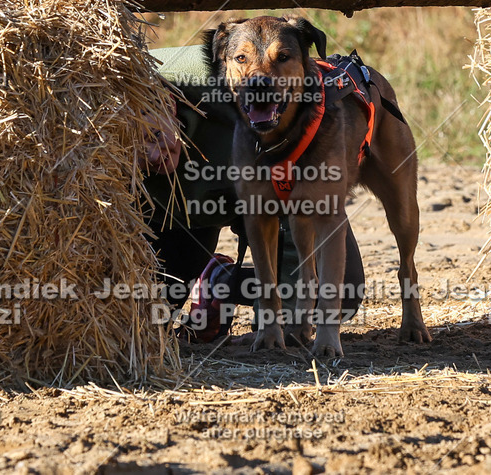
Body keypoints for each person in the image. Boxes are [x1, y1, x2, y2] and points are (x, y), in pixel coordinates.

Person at [141, 45, 365, 342]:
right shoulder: (99, 137)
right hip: (180, 216)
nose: (154, 155)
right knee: (144, 324)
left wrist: (274, 324)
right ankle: (203, 283)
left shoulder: (228, 82)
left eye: (154, 136)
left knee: (343, 292)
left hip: (268, 194)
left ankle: (220, 280)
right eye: (136, 150)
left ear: (165, 105)